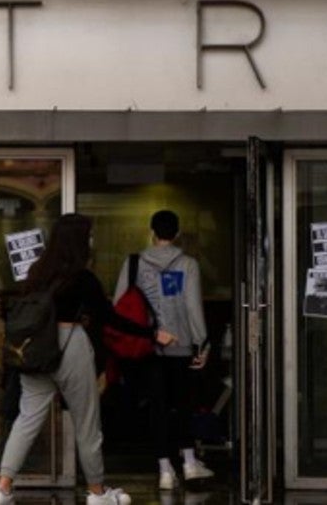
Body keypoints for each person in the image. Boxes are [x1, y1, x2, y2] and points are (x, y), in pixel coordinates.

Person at [0, 213, 134, 505]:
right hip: (71, 347)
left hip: (36, 351)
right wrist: (151, 332)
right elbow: (109, 318)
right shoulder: (83, 277)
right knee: (87, 423)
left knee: (26, 419)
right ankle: (97, 492)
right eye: (89, 235)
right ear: (81, 240)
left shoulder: (37, 271)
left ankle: (2, 490)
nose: (92, 240)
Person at [113, 210, 214, 491]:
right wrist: (201, 343)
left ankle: (164, 470)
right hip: (181, 346)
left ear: (152, 232)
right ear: (177, 234)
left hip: (147, 347)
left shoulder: (133, 263)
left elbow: (119, 307)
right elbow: (193, 306)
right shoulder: (188, 264)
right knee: (183, 404)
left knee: (157, 407)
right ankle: (190, 464)